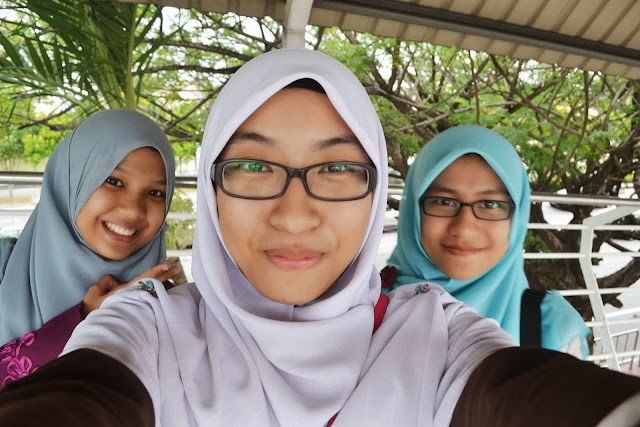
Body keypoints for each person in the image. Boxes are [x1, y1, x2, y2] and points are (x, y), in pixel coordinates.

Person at [0, 49, 638, 427]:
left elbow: (509, 386)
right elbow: (85, 391)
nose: (295, 214)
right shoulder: (149, 322)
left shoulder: (433, 333)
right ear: (212, 189)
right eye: (253, 165)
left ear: (377, 191)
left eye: (337, 169)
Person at [0, 109, 179, 386]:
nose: (133, 211)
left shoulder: (169, 305)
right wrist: (86, 318)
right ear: (69, 181)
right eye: (114, 181)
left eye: (155, 193)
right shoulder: (3, 268)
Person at [383, 125, 591, 358]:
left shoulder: (552, 330)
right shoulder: (365, 305)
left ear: (517, 217)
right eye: (444, 201)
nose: (464, 228)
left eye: (490, 204)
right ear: (414, 209)